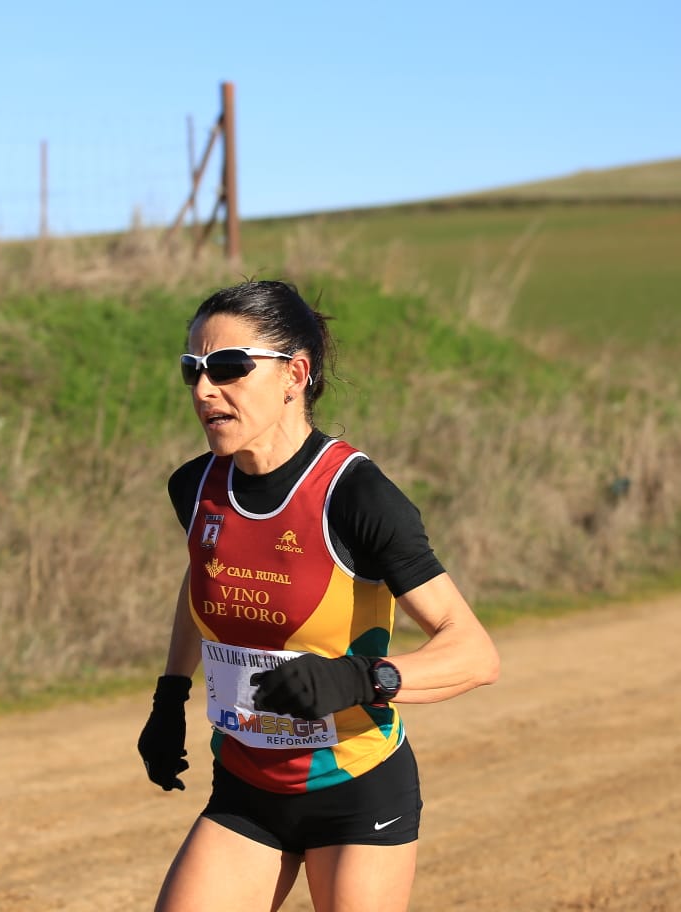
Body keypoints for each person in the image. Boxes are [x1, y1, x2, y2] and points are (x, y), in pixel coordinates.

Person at [137, 279, 500, 912]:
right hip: (247, 787)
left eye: (228, 368)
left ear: (294, 375)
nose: (203, 389)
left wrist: (358, 679)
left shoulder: (354, 496)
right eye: (193, 369)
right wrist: (170, 695)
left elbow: (474, 654)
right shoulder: (196, 487)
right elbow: (203, 577)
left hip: (355, 792)